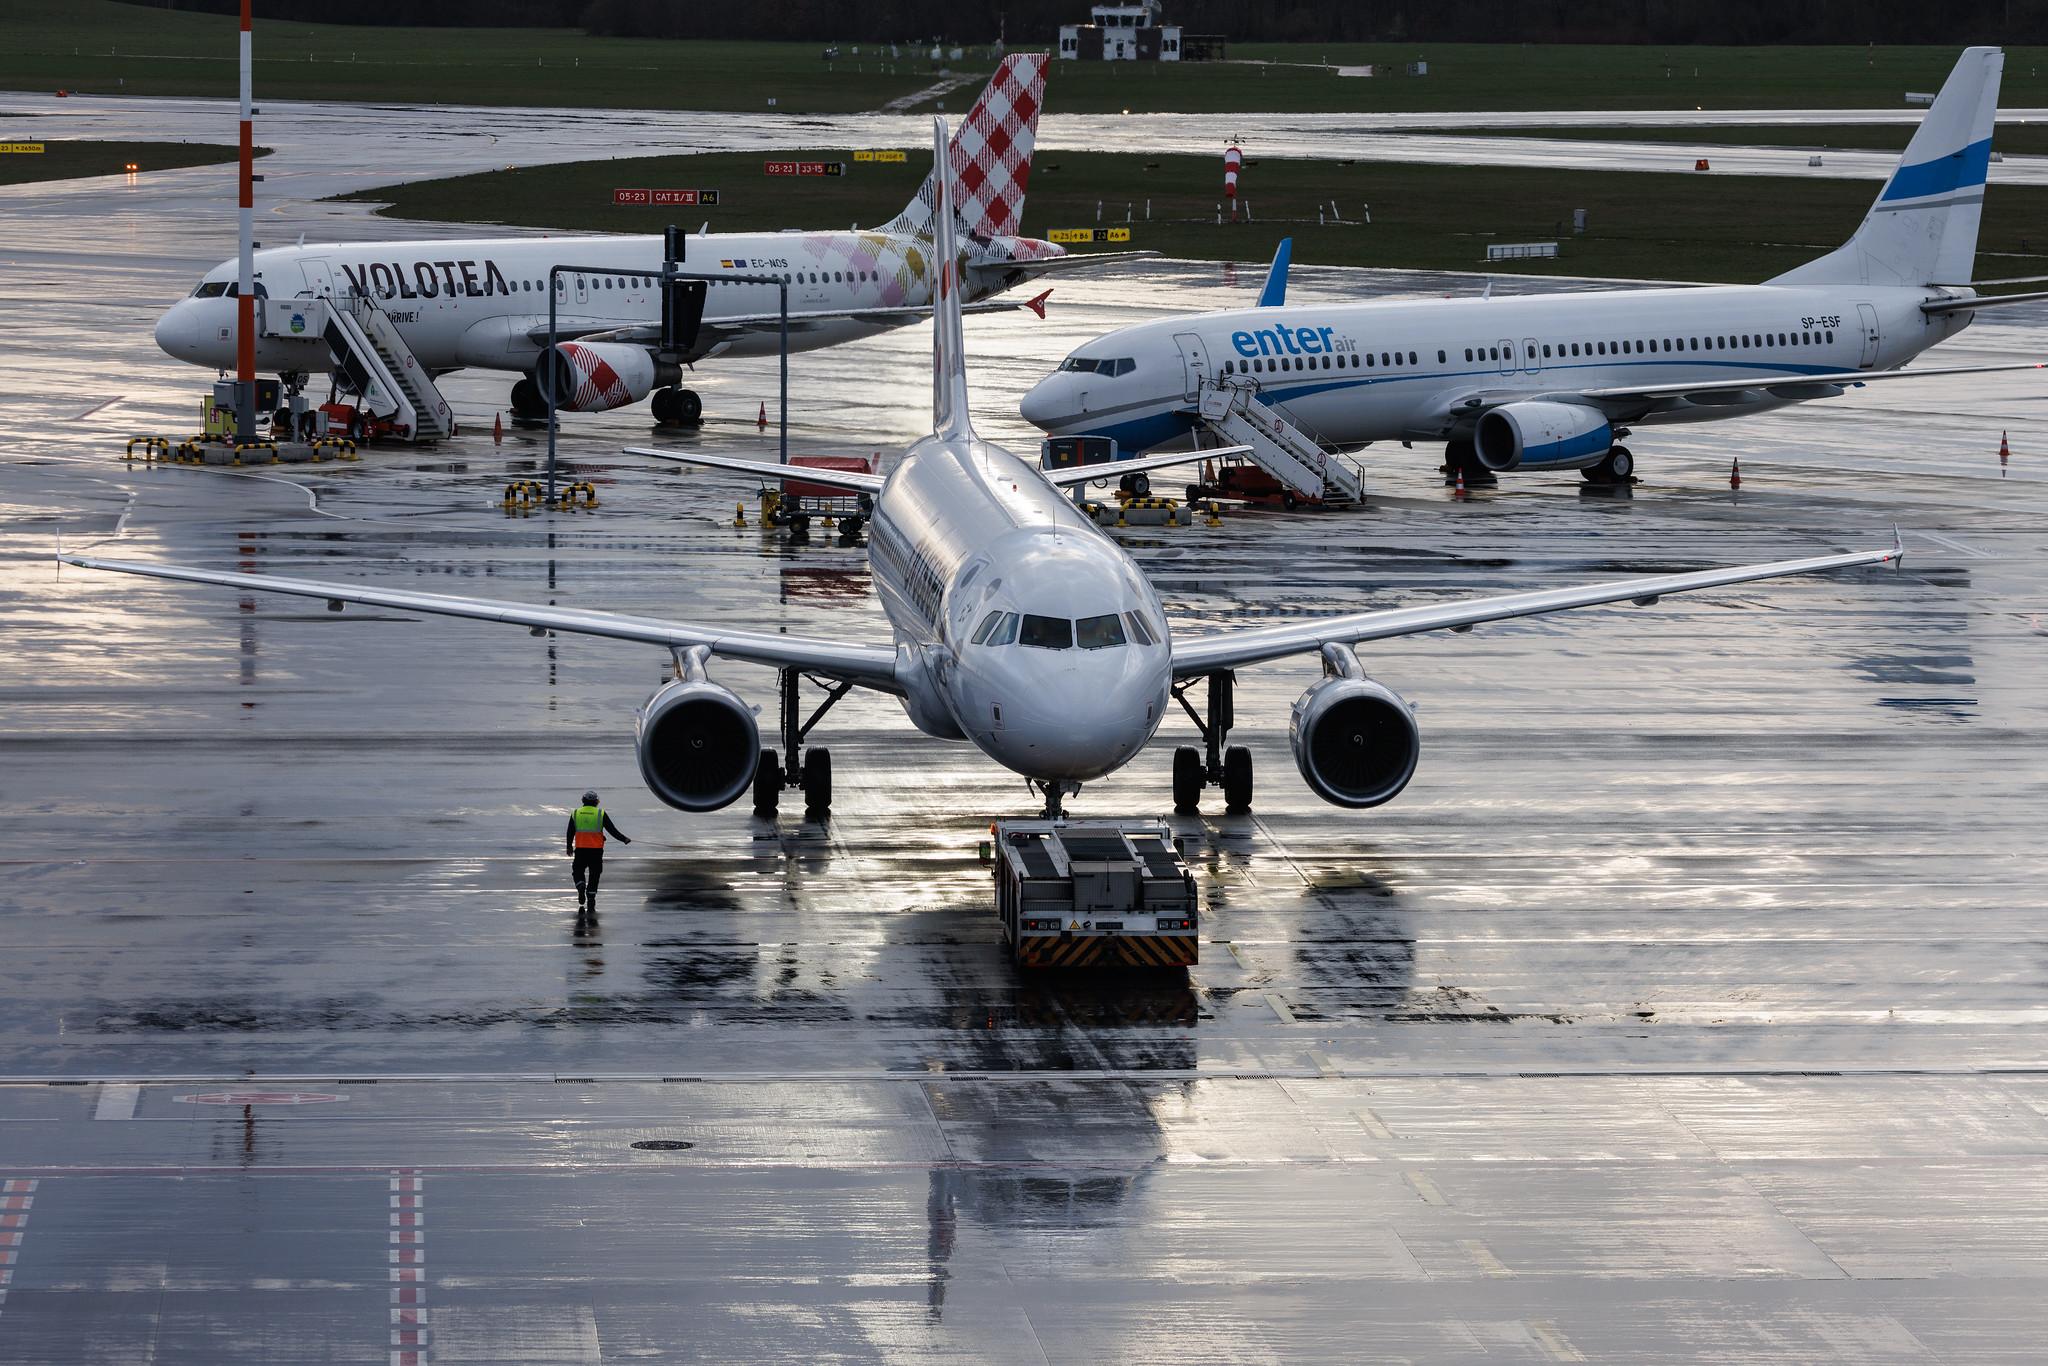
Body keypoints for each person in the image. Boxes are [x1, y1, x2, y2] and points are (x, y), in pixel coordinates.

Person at [565, 790, 629, 916]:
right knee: (595, 875)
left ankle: (580, 885)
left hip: (581, 849)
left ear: (583, 801)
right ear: (596, 802)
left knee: (577, 870)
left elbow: (570, 832)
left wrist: (569, 847)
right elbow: (612, 830)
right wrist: (624, 839)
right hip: (596, 851)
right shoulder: (600, 813)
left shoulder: (576, 813)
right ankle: (591, 897)